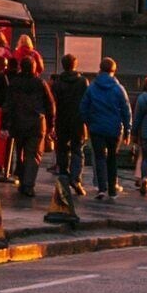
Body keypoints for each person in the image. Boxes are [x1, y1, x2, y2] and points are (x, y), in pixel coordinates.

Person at [0, 45, 52, 200]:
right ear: (34, 68)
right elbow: (50, 105)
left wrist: (4, 124)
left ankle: (21, 181)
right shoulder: (40, 83)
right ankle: (28, 185)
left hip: (18, 123)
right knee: (32, 155)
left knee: (19, 152)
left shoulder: (14, 83)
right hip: (36, 124)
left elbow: (8, 105)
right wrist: (51, 125)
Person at [80, 58, 131, 203]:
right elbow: (126, 110)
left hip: (96, 127)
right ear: (113, 71)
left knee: (100, 157)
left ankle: (101, 188)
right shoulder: (118, 88)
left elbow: (83, 107)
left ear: (100, 69)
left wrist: (89, 122)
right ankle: (112, 189)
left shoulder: (92, 87)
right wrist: (127, 129)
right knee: (112, 158)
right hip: (114, 128)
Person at [47, 54, 91, 196]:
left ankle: (64, 178)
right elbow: (87, 102)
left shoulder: (58, 83)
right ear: (75, 65)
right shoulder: (83, 82)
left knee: (62, 150)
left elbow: (53, 103)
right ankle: (76, 179)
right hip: (78, 121)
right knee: (78, 150)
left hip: (62, 120)